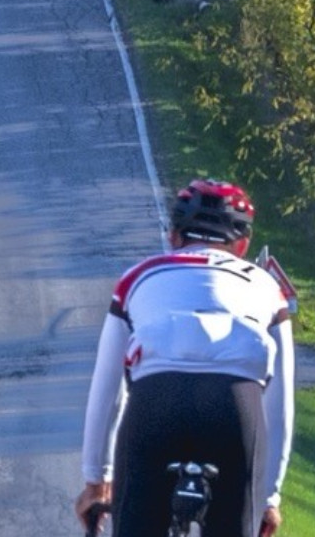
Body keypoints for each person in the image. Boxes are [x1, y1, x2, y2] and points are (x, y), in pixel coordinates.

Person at [74, 180, 295, 536]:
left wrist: (95, 481)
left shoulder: (138, 278)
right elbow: (280, 406)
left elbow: (107, 389)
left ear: (173, 237)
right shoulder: (269, 289)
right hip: (235, 407)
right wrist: (268, 498)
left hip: (156, 403)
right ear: (242, 245)